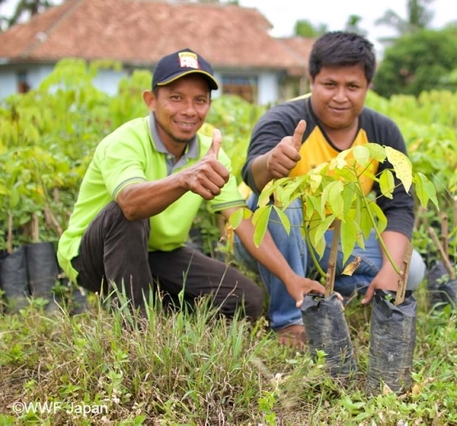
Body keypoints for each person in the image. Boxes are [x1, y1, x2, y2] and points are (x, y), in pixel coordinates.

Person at [57, 48, 323, 320]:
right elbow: (129, 204)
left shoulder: (211, 154)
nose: (189, 110)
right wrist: (184, 178)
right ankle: (135, 328)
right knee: (127, 213)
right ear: (151, 100)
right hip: (93, 257)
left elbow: (242, 220)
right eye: (176, 98)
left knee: (246, 300)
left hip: (155, 255)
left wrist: (291, 278)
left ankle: (162, 310)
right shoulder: (125, 140)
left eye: (199, 100)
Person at [236, 32, 426, 345]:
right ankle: (289, 320)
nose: (340, 96)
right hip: (268, 237)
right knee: (281, 197)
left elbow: (399, 205)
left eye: (352, 87)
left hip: (330, 239)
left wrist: (391, 275)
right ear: (311, 80)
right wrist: (271, 163)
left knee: (412, 269)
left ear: (368, 87)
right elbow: (251, 176)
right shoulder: (284, 120)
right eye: (329, 85)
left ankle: (323, 286)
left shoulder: (382, 131)